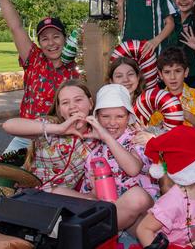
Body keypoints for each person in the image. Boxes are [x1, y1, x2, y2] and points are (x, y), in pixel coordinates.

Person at [0, 0, 79, 153]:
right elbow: (15, 27)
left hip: (59, 139)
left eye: (56, 36)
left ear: (65, 38)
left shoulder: (77, 69)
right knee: (4, 177)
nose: (51, 43)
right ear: (39, 43)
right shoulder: (34, 59)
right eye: (45, 38)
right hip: (25, 137)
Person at [54, 84, 156, 232]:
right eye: (105, 116)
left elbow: (133, 169)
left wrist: (107, 137)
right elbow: (95, 195)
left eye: (120, 116)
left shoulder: (136, 138)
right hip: (110, 210)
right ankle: (93, 230)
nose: (112, 122)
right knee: (57, 192)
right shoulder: (94, 152)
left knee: (137, 197)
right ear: (97, 118)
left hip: (140, 208)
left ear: (128, 117)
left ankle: (89, 235)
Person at [2, 80, 97, 191]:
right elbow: (8, 125)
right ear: (60, 110)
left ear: (90, 103)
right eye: (65, 102)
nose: (72, 106)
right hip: (29, 194)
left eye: (78, 100)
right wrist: (59, 129)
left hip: (61, 200)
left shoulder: (96, 135)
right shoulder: (50, 125)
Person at [149, 46, 195, 127]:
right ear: (160, 75)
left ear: (186, 72)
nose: (172, 77)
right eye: (167, 72)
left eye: (178, 71)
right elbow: (151, 133)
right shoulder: (155, 101)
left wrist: (189, 116)